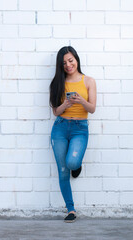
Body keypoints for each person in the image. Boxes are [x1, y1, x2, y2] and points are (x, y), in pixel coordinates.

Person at [49, 46, 96, 223]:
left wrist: (81, 101)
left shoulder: (89, 81)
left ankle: (76, 166)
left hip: (80, 128)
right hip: (60, 128)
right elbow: (55, 111)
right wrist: (66, 105)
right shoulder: (57, 83)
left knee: (71, 162)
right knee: (62, 172)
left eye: (70, 60)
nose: (68, 65)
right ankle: (71, 209)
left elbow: (92, 109)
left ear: (76, 59)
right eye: (64, 63)